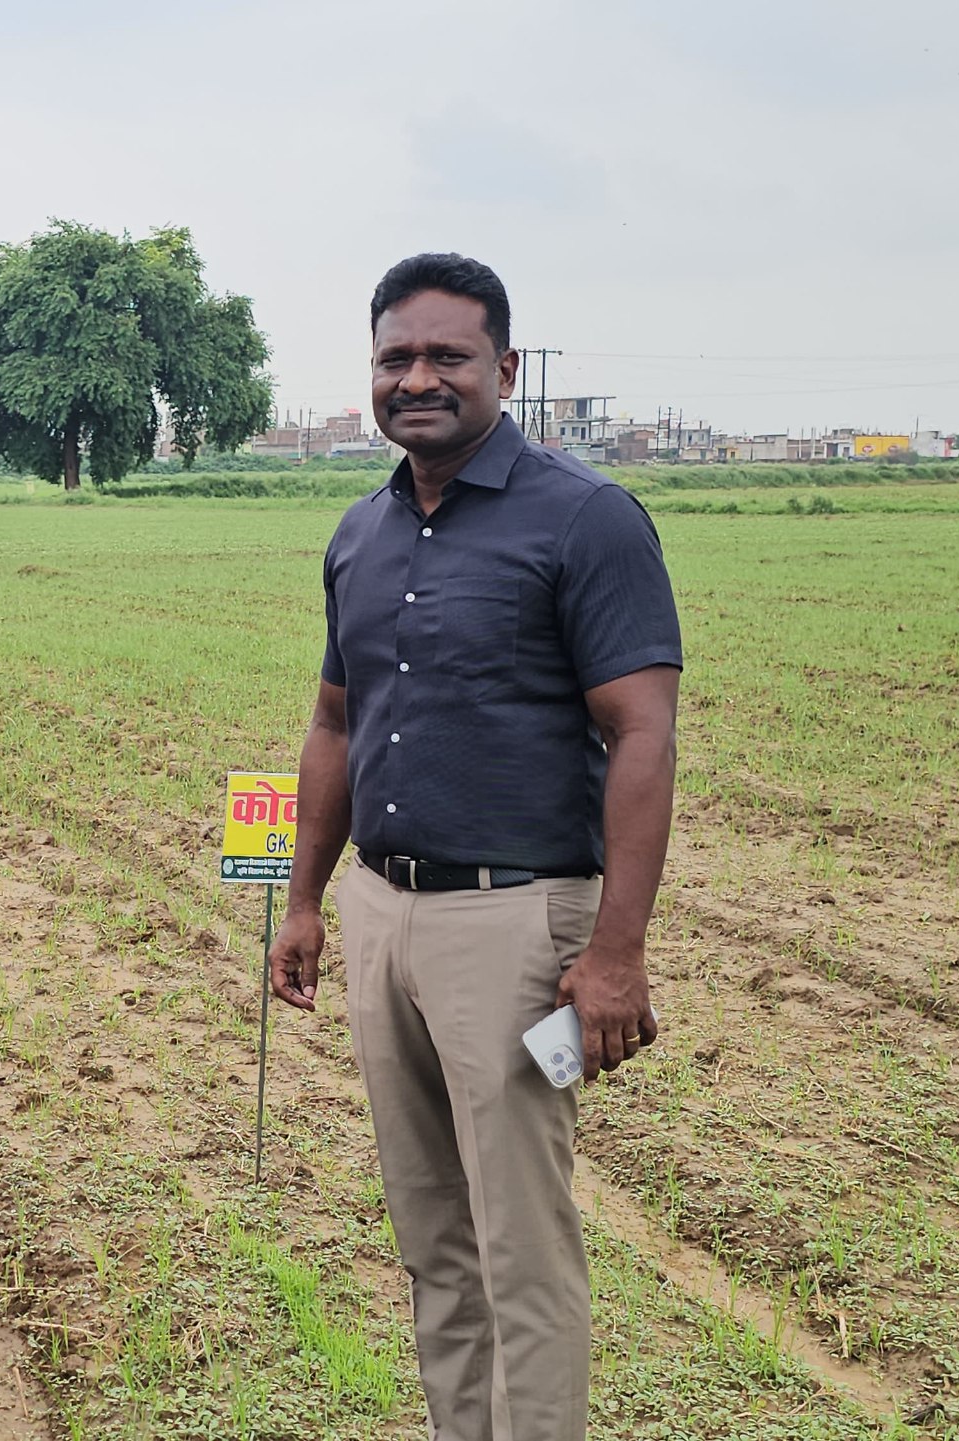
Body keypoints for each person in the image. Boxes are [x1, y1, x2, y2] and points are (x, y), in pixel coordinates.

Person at [267, 254, 681, 1441]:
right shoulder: (362, 530)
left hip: (515, 925)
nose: (418, 379)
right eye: (395, 358)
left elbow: (641, 732)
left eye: (447, 356)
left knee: (520, 1242)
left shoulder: (583, 517)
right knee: (429, 1233)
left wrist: (614, 953)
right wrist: (305, 901)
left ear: (504, 369)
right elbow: (336, 720)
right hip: (380, 915)